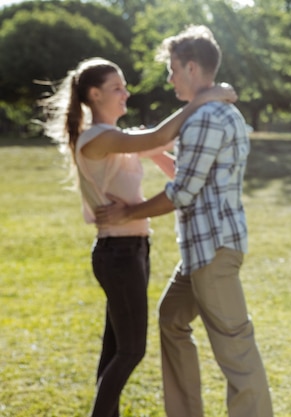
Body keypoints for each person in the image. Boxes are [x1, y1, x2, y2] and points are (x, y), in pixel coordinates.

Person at [41, 56, 237, 417]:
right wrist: (206, 97)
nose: (126, 94)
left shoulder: (118, 140)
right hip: (117, 252)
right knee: (131, 350)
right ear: (95, 94)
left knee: (115, 346)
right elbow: (160, 136)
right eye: (117, 88)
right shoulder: (96, 139)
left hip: (133, 250)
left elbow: (169, 158)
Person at [95, 25, 273, 417]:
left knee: (235, 347)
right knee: (171, 317)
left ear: (192, 68)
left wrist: (129, 211)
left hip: (213, 251)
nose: (170, 77)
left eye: (173, 68)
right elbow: (194, 176)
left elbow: (183, 192)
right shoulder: (218, 112)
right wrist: (157, 155)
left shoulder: (206, 117)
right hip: (200, 252)